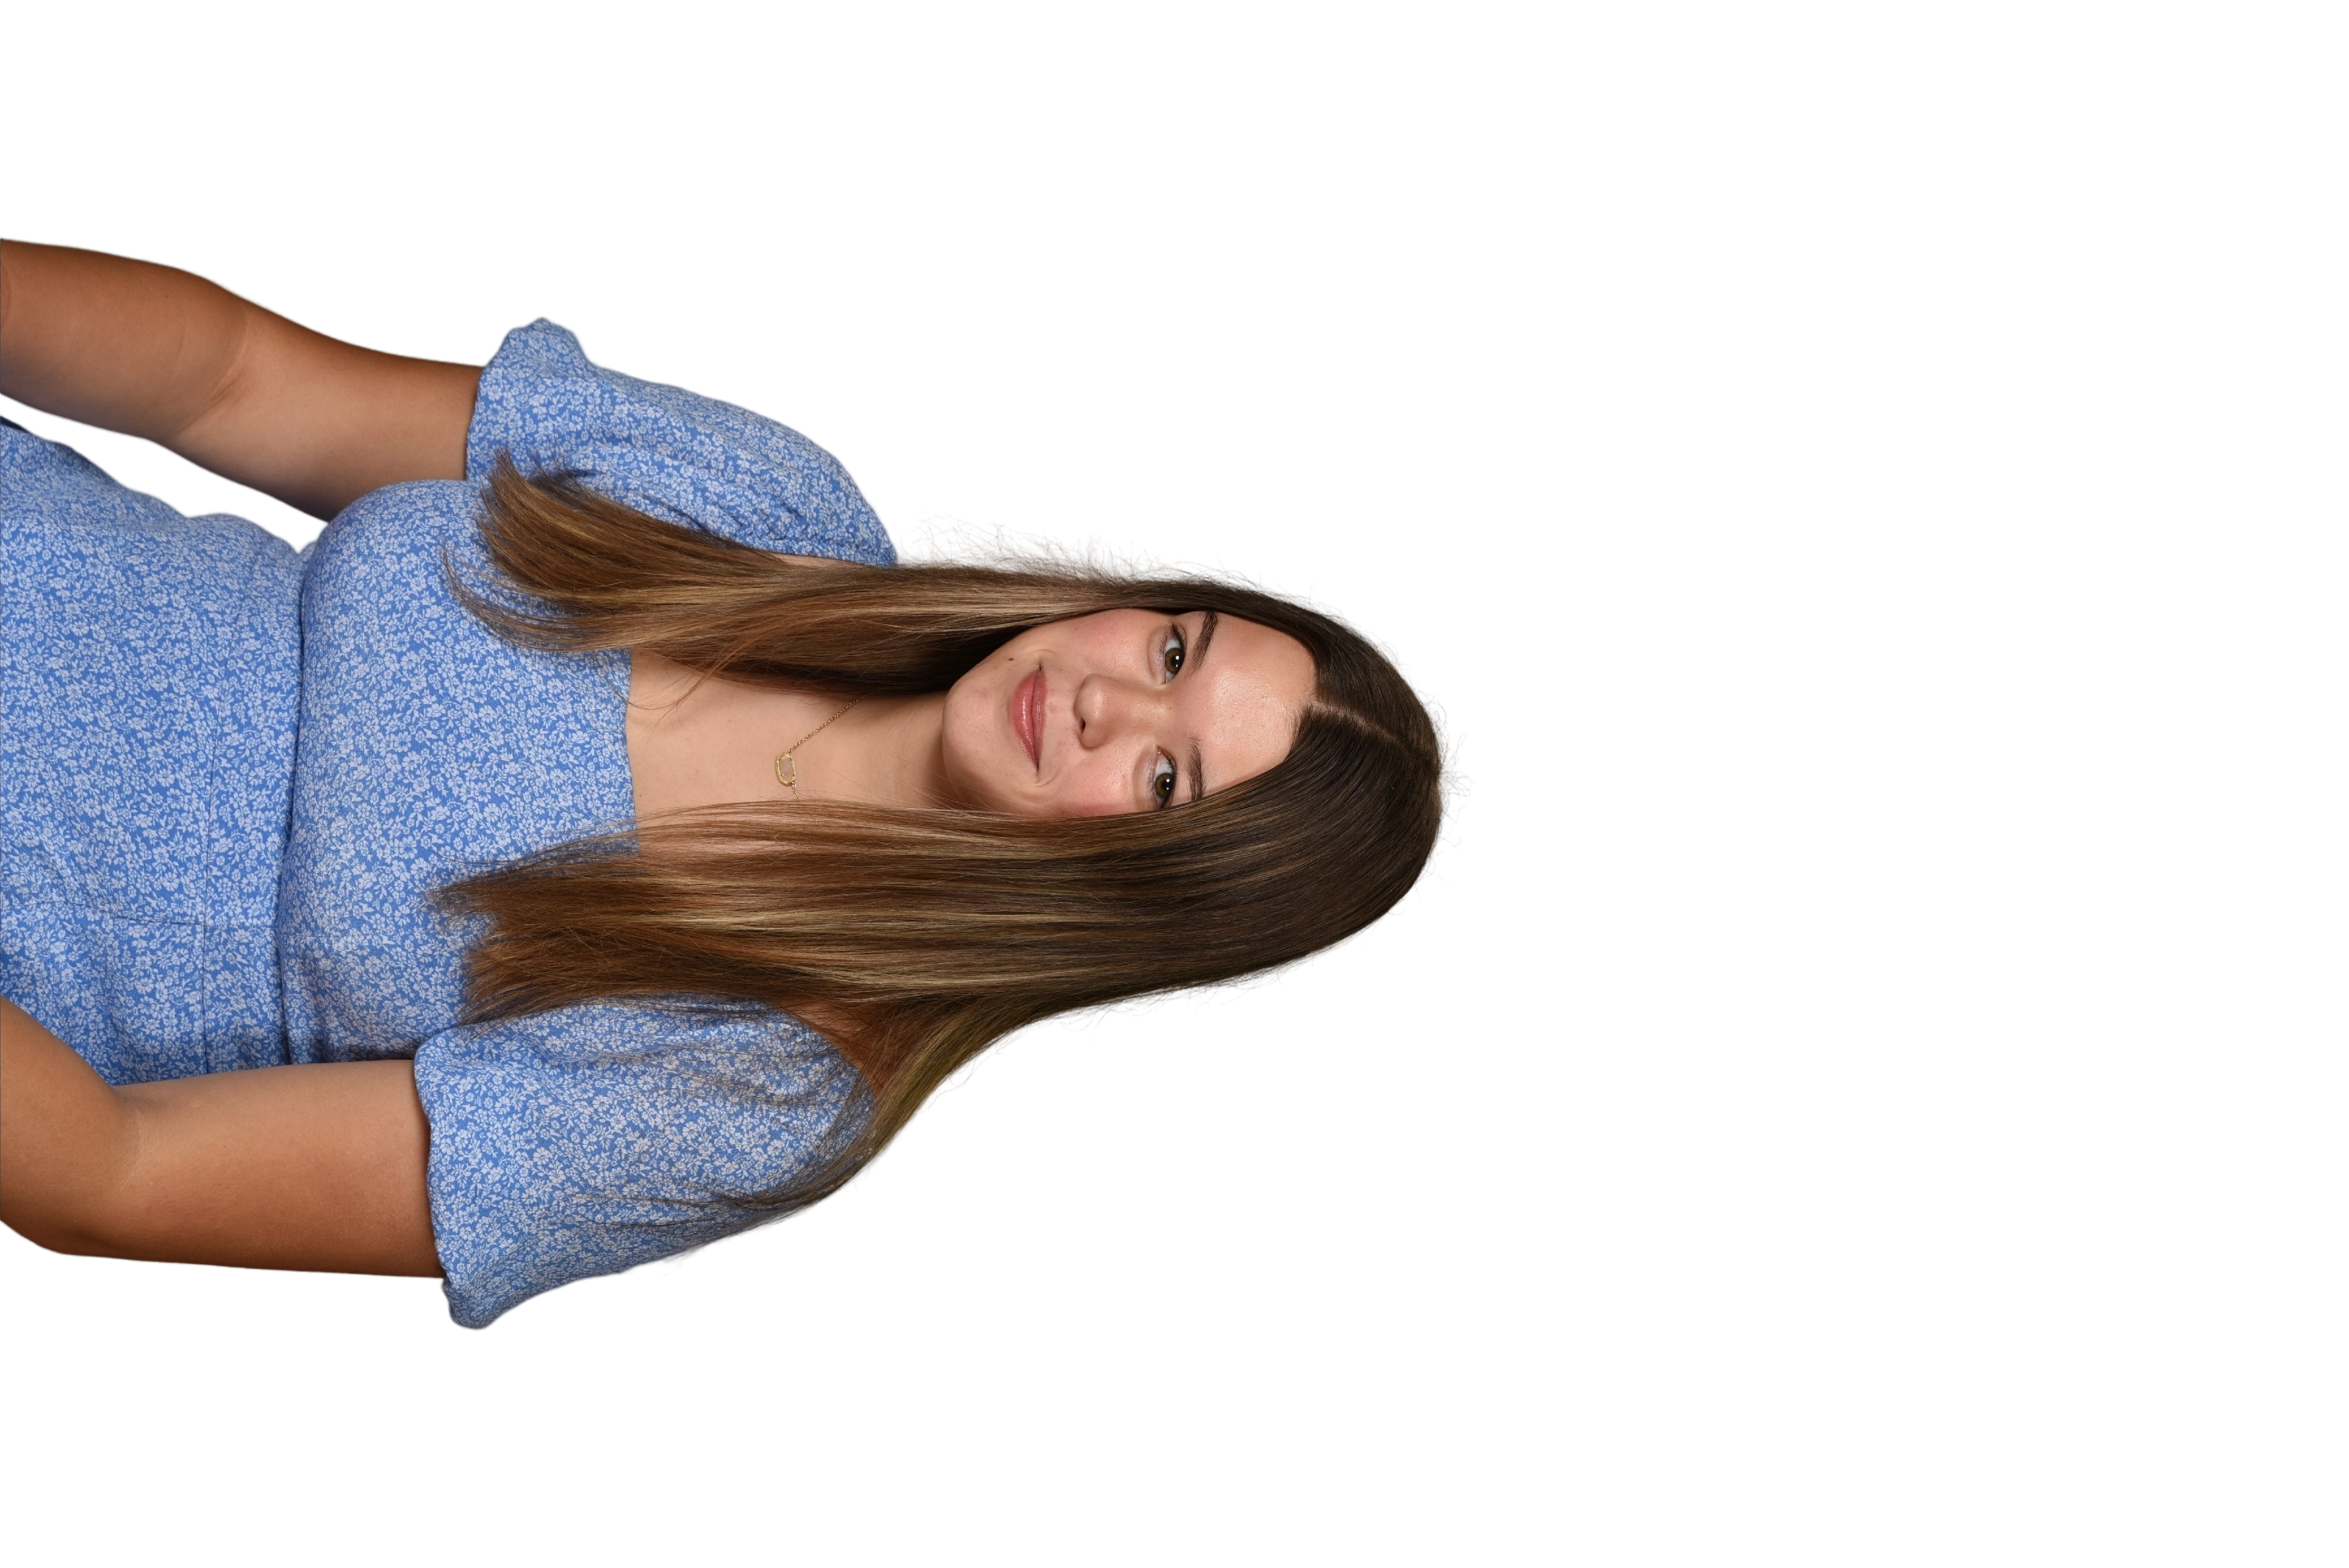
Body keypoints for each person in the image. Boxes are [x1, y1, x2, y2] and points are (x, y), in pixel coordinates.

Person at [0, 237, 1472, 1329]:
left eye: (1163, 777)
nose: (1102, 702)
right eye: (1170, 648)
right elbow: (240, 381)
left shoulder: (758, 1089)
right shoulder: (770, 509)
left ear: (1140, 904)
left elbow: (111, 1176)